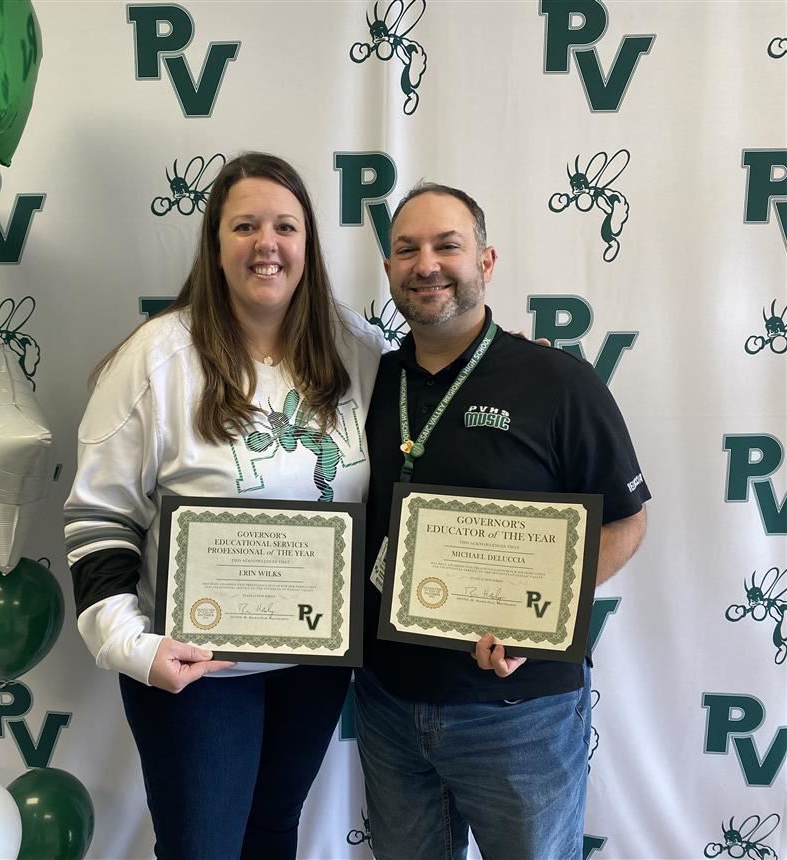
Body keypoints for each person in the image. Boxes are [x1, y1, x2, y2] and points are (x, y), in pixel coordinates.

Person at [63, 152, 385, 860]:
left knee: (273, 835)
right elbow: (98, 519)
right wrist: (134, 647)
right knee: (202, 847)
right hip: (197, 667)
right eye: (244, 226)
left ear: (308, 244)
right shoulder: (156, 359)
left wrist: (516, 365)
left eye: (284, 226)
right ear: (214, 245)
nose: (266, 244)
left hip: (316, 661)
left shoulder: (356, 352)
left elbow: (435, 398)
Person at [356, 182, 650, 860]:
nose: (426, 264)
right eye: (406, 250)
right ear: (390, 271)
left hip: (519, 715)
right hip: (387, 708)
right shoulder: (366, 381)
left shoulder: (558, 382)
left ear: (485, 262)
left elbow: (627, 523)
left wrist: (535, 621)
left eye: (447, 245)